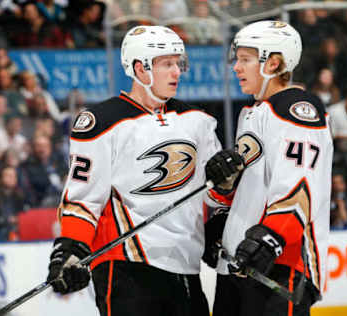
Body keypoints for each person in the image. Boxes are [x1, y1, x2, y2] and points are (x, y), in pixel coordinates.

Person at [46, 25, 219, 316]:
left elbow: (216, 193)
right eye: (167, 64)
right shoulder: (101, 122)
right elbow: (83, 199)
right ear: (140, 68)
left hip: (185, 265)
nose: (177, 72)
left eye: (178, 63)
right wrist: (71, 248)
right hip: (126, 266)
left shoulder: (198, 120)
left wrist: (226, 191)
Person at [203, 21, 333, 316]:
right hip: (238, 265)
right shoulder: (252, 113)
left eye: (245, 60)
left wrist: (270, 238)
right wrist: (224, 220)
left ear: (273, 63)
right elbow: (252, 191)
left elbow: (299, 190)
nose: (236, 67)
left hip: (279, 267)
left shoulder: (297, 109)